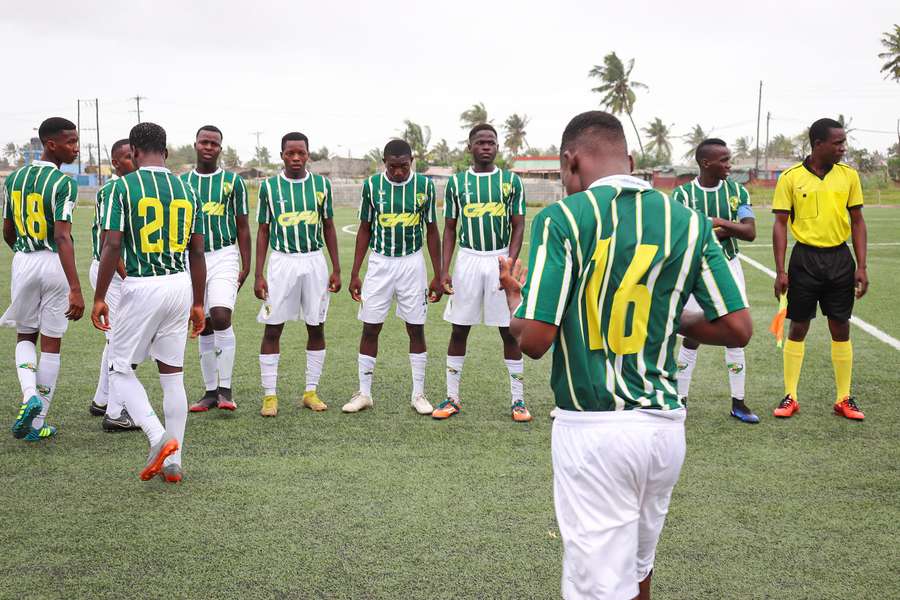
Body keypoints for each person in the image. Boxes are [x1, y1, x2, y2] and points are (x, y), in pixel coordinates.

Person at [499, 111, 752, 599]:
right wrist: (664, 316)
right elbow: (738, 328)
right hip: (664, 429)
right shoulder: (691, 222)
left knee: (596, 587)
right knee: (639, 570)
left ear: (569, 161)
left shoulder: (563, 218)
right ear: (630, 161)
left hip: (595, 429)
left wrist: (514, 296)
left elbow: (533, 340)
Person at [92, 122, 206, 483]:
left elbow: (111, 245)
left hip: (142, 285)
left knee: (120, 369)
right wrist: (199, 303)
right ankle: (174, 464)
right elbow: (198, 251)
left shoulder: (121, 187)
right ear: (166, 152)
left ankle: (160, 440)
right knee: (172, 374)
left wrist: (99, 296)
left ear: (135, 153)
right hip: (179, 285)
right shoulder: (188, 190)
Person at [772, 118, 868, 420]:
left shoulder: (849, 177)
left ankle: (843, 398)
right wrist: (780, 270)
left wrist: (861, 266)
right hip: (804, 261)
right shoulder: (790, 177)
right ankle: (790, 396)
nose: (843, 148)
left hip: (840, 260)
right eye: (838, 143)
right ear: (818, 144)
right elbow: (780, 225)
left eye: (843, 142)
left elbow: (857, 221)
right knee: (798, 326)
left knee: (840, 325)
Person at [433, 123, 530, 422]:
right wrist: (443, 270)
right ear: (470, 147)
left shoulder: (510, 182)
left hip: (499, 258)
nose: (486, 147)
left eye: (491, 142)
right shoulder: (457, 183)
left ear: (497, 147)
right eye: (480, 142)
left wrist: (510, 264)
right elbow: (450, 229)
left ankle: (518, 401)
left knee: (509, 330)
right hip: (468, 260)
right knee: (459, 328)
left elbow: (518, 225)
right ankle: (452, 397)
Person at [344, 139, 442, 415]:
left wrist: (438, 273)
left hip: (412, 264)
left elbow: (432, 230)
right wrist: (355, 272)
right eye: (392, 166)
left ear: (412, 161)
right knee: (370, 327)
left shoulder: (424, 187)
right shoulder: (372, 186)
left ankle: (418, 394)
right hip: (380, 264)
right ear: (384, 163)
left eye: (403, 166)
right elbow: (364, 228)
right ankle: (364, 393)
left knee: (416, 327)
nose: (398, 172)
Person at [2, 116, 84, 442]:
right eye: (71, 142)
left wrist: (24, 254)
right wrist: (76, 288)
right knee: (51, 342)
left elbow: (7, 230)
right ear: (51, 144)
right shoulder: (65, 183)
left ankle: (28, 396)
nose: (76, 148)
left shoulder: (15, 179)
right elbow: (63, 237)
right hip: (54, 264)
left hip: (23, 260)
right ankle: (38, 424)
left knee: (25, 335)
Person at [671, 138, 758, 423]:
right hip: (695, 270)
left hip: (729, 267)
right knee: (691, 336)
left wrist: (716, 222)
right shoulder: (682, 196)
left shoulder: (737, 192)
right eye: (724, 161)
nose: (729, 166)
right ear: (706, 163)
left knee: (736, 334)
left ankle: (739, 402)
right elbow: (682, 236)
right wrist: (723, 229)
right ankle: (680, 400)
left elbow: (749, 232)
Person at [255, 132, 341, 417]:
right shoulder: (269, 187)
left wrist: (336, 267)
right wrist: (258, 273)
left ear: (308, 155)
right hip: (282, 262)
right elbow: (263, 230)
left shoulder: (321, 185)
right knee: (273, 327)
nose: (295, 158)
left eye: (300, 153)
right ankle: (270, 396)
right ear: (281, 155)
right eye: (290, 153)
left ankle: (310, 391)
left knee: (316, 326)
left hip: (314, 261)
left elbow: (328, 226)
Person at [181, 125, 250, 413]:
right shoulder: (183, 183)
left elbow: (243, 226)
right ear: (195, 145)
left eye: (214, 143)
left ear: (220, 149)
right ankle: (210, 392)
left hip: (223, 254)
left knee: (221, 315)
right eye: (204, 142)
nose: (209, 147)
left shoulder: (233, 183)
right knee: (204, 322)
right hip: (191, 258)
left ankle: (226, 389)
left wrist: (247, 265)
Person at [88, 138, 140, 431]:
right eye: (128, 157)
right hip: (113, 273)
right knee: (122, 342)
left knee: (114, 341)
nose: (134, 161)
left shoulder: (132, 188)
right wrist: (128, 276)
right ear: (116, 163)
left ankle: (103, 399)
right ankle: (117, 412)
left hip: (115, 272)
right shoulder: (113, 190)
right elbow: (112, 243)